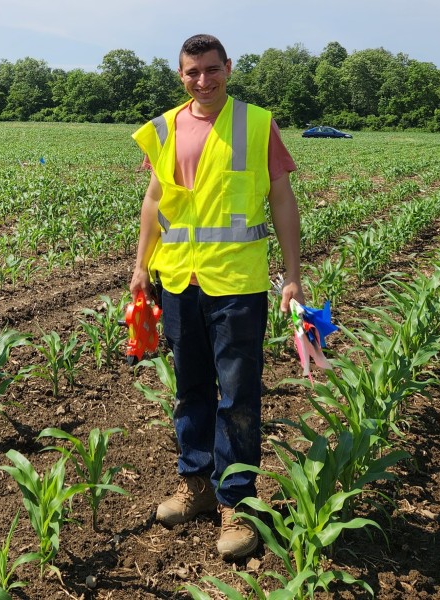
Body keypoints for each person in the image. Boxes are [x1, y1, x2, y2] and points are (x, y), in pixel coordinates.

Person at [129, 33, 304, 560]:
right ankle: (198, 486)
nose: (202, 80)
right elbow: (155, 198)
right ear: (180, 75)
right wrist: (141, 265)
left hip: (238, 285)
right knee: (191, 390)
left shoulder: (256, 123)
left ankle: (238, 501)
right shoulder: (163, 127)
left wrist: (292, 273)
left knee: (239, 398)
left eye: (211, 69)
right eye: (192, 72)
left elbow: (281, 197)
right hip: (179, 281)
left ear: (228, 67)